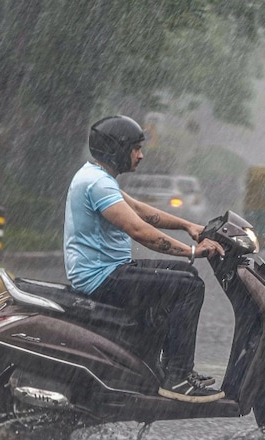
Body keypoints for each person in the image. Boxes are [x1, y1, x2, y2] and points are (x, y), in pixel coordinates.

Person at [63, 115, 226, 403]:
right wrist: (191, 251)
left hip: (109, 271)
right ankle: (177, 376)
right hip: (102, 277)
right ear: (117, 149)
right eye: (136, 148)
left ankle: (160, 367)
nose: (141, 155)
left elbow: (140, 210)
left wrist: (188, 226)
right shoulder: (97, 184)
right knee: (188, 287)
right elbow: (139, 230)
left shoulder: (98, 177)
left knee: (186, 276)